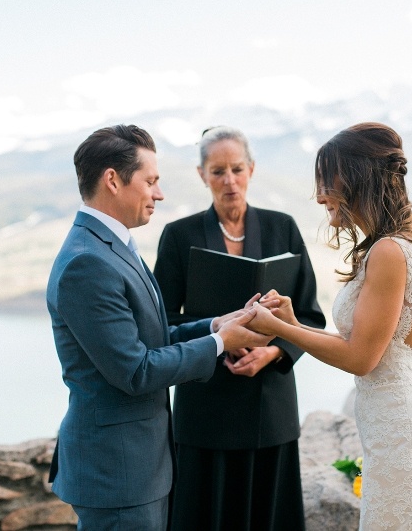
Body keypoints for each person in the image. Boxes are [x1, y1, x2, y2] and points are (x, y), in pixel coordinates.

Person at [247, 123, 412, 529]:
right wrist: (292, 320)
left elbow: (361, 358)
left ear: (357, 178)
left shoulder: (389, 252)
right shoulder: (404, 244)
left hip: (405, 437)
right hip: (403, 430)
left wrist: (278, 329)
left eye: (327, 180)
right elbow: (369, 344)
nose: (320, 195)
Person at [46, 124, 272, 531]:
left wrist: (215, 325)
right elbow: (137, 371)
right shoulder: (88, 263)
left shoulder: (113, 246)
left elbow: (152, 338)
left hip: (138, 468)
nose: (159, 193)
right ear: (113, 180)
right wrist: (222, 343)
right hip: (117, 474)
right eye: (150, 181)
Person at [153, 126, 325, 530]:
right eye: (217, 171)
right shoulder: (179, 237)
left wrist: (274, 351)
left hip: (270, 410)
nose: (228, 180)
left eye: (236, 169)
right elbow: (161, 323)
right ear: (201, 175)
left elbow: (311, 316)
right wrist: (218, 339)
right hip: (205, 409)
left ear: (251, 170)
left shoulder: (283, 227)